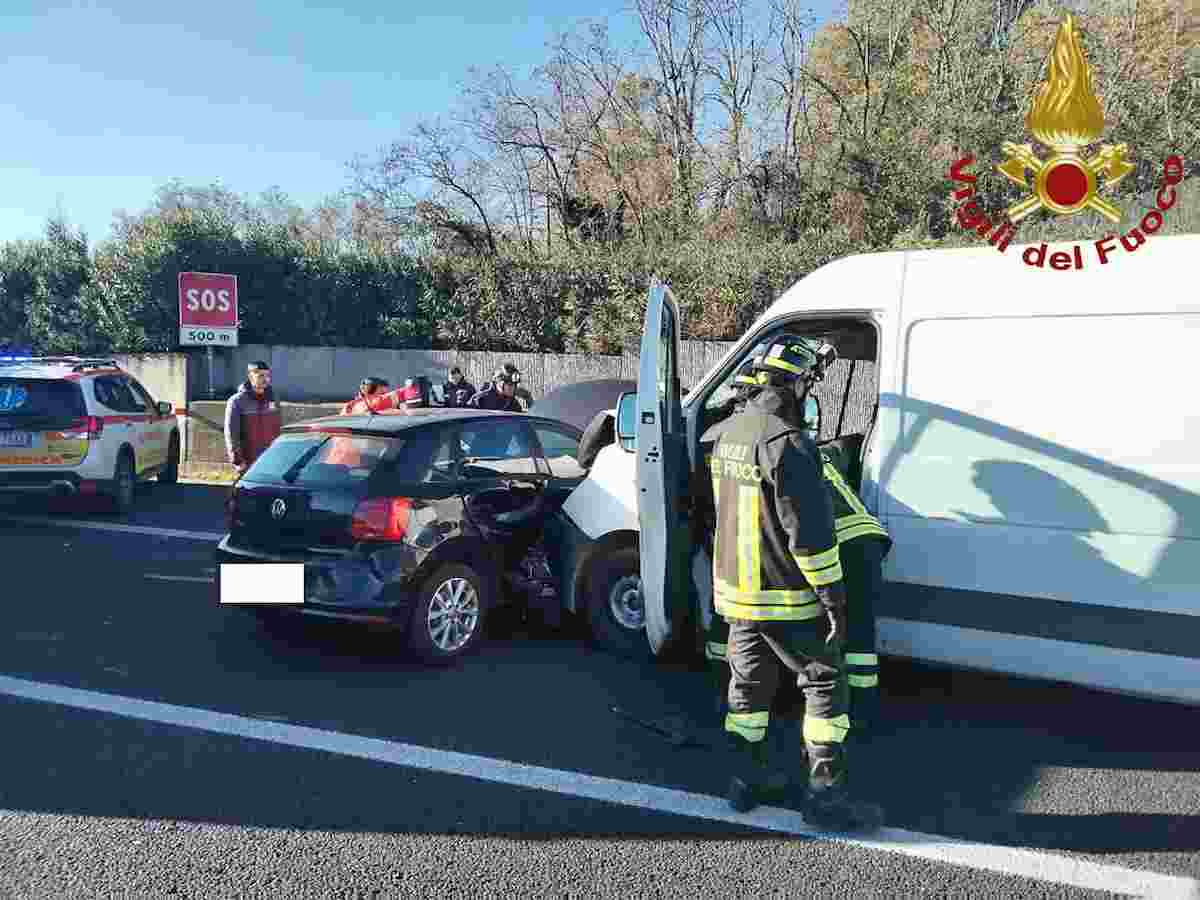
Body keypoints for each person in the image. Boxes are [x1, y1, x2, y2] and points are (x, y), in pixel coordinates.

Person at [709, 336, 883, 830]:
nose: (810, 392)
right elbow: (809, 539)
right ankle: (825, 798)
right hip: (787, 598)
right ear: (797, 384)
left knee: (748, 695)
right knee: (825, 687)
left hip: (739, 599)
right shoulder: (789, 444)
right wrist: (834, 600)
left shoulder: (730, 433)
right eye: (809, 383)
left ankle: (745, 783)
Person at [224, 360, 282, 476]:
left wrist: (279, 456)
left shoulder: (273, 398)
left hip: (270, 460)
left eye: (267, 376)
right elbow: (231, 433)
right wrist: (238, 461)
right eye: (261, 376)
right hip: (248, 462)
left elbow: (278, 429)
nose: (266, 379)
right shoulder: (237, 401)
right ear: (250, 376)